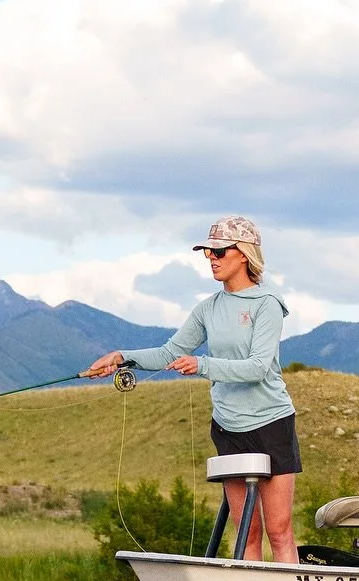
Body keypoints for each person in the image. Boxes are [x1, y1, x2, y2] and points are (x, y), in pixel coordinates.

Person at [86, 216, 300, 563]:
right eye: (207, 252)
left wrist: (201, 365)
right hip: (229, 428)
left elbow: (258, 368)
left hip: (272, 423)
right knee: (246, 532)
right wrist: (122, 357)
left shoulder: (267, 303)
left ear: (243, 254)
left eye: (219, 251)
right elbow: (168, 353)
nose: (211, 258)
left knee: (279, 530)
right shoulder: (207, 308)